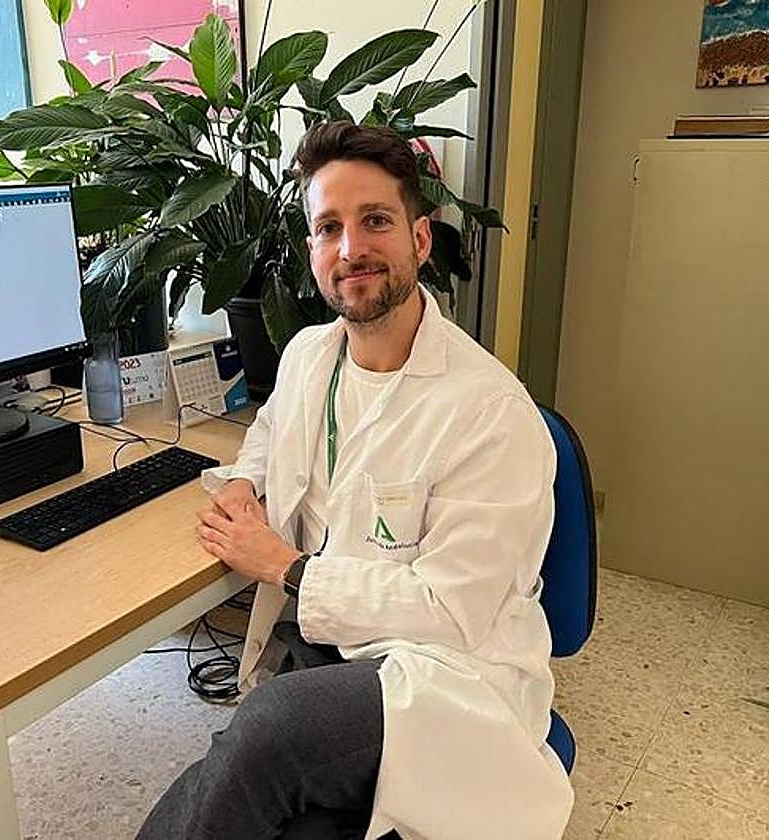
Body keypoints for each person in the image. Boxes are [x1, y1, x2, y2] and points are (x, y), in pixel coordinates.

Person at [136, 122, 573, 840]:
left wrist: (287, 567)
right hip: (334, 643)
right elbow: (271, 431)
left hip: (441, 674)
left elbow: (451, 611)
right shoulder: (310, 354)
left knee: (270, 729)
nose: (351, 250)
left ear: (420, 240)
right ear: (311, 249)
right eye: (329, 228)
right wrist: (245, 483)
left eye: (375, 221)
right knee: (259, 769)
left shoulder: (491, 412)